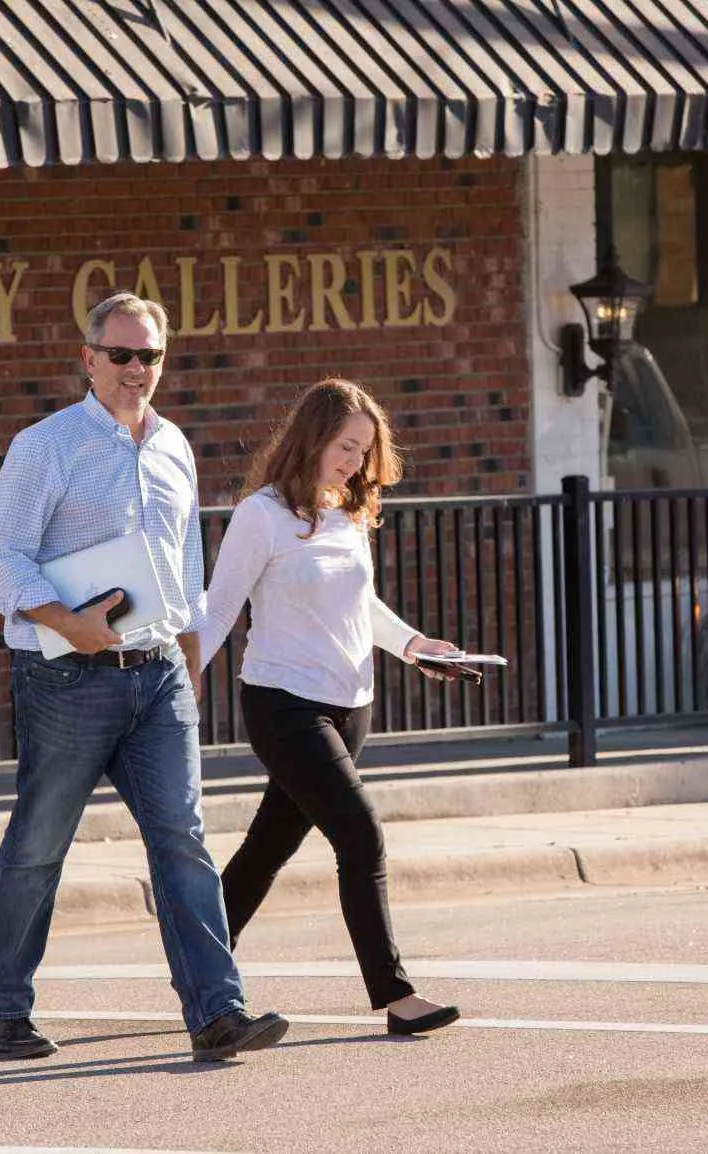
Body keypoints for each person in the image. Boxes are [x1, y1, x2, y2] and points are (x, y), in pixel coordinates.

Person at [0, 290, 287, 1063]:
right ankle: (5, 1008)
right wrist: (62, 619)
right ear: (88, 359)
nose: (136, 369)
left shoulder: (174, 446)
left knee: (182, 840)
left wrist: (187, 655)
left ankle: (218, 1011)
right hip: (68, 680)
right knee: (41, 845)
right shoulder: (45, 446)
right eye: (121, 355)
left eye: (149, 355)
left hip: (157, 678)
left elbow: (182, 569)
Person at [197, 378, 463, 1036]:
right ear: (312, 437)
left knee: (266, 849)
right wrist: (169, 688)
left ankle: (198, 967)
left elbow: (359, 607)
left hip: (351, 707)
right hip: (284, 706)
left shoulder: (345, 511)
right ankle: (397, 998)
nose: (355, 463)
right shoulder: (261, 515)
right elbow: (219, 608)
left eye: (364, 452)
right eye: (346, 447)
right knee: (360, 834)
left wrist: (413, 645)